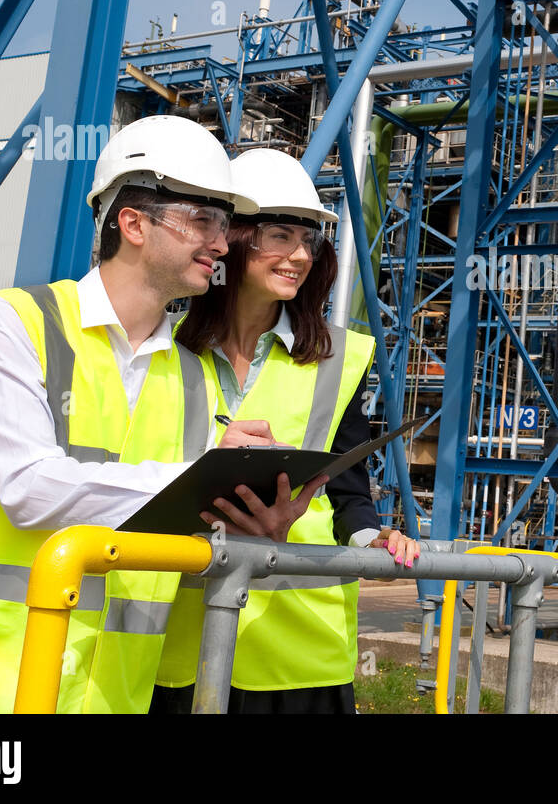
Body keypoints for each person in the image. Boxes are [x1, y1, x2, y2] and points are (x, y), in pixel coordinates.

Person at [0, 115, 315, 714]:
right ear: (133, 224)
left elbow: (180, 539)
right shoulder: (13, 324)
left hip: (113, 697)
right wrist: (198, 473)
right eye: (203, 220)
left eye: (224, 225)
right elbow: (29, 489)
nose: (222, 245)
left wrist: (245, 527)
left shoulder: (194, 375)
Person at [151, 148, 418, 714]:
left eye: (309, 240)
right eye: (279, 235)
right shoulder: (160, 350)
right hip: (178, 644)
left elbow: (348, 495)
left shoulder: (338, 359)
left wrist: (375, 540)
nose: (299, 255)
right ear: (233, 238)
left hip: (297, 653)